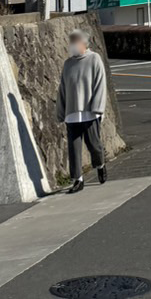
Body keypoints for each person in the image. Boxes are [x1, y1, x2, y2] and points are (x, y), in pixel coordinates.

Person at [57, 29, 107, 193]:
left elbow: (100, 84)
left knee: (94, 145)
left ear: (84, 44)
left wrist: (98, 108)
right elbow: (62, 89)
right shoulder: (68, 64)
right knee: (73, 148)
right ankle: (78, 179)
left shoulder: (94, 59)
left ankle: (100, 164)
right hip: (72, 113)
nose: (72, 46)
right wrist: (61, 111)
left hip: (90, 111)